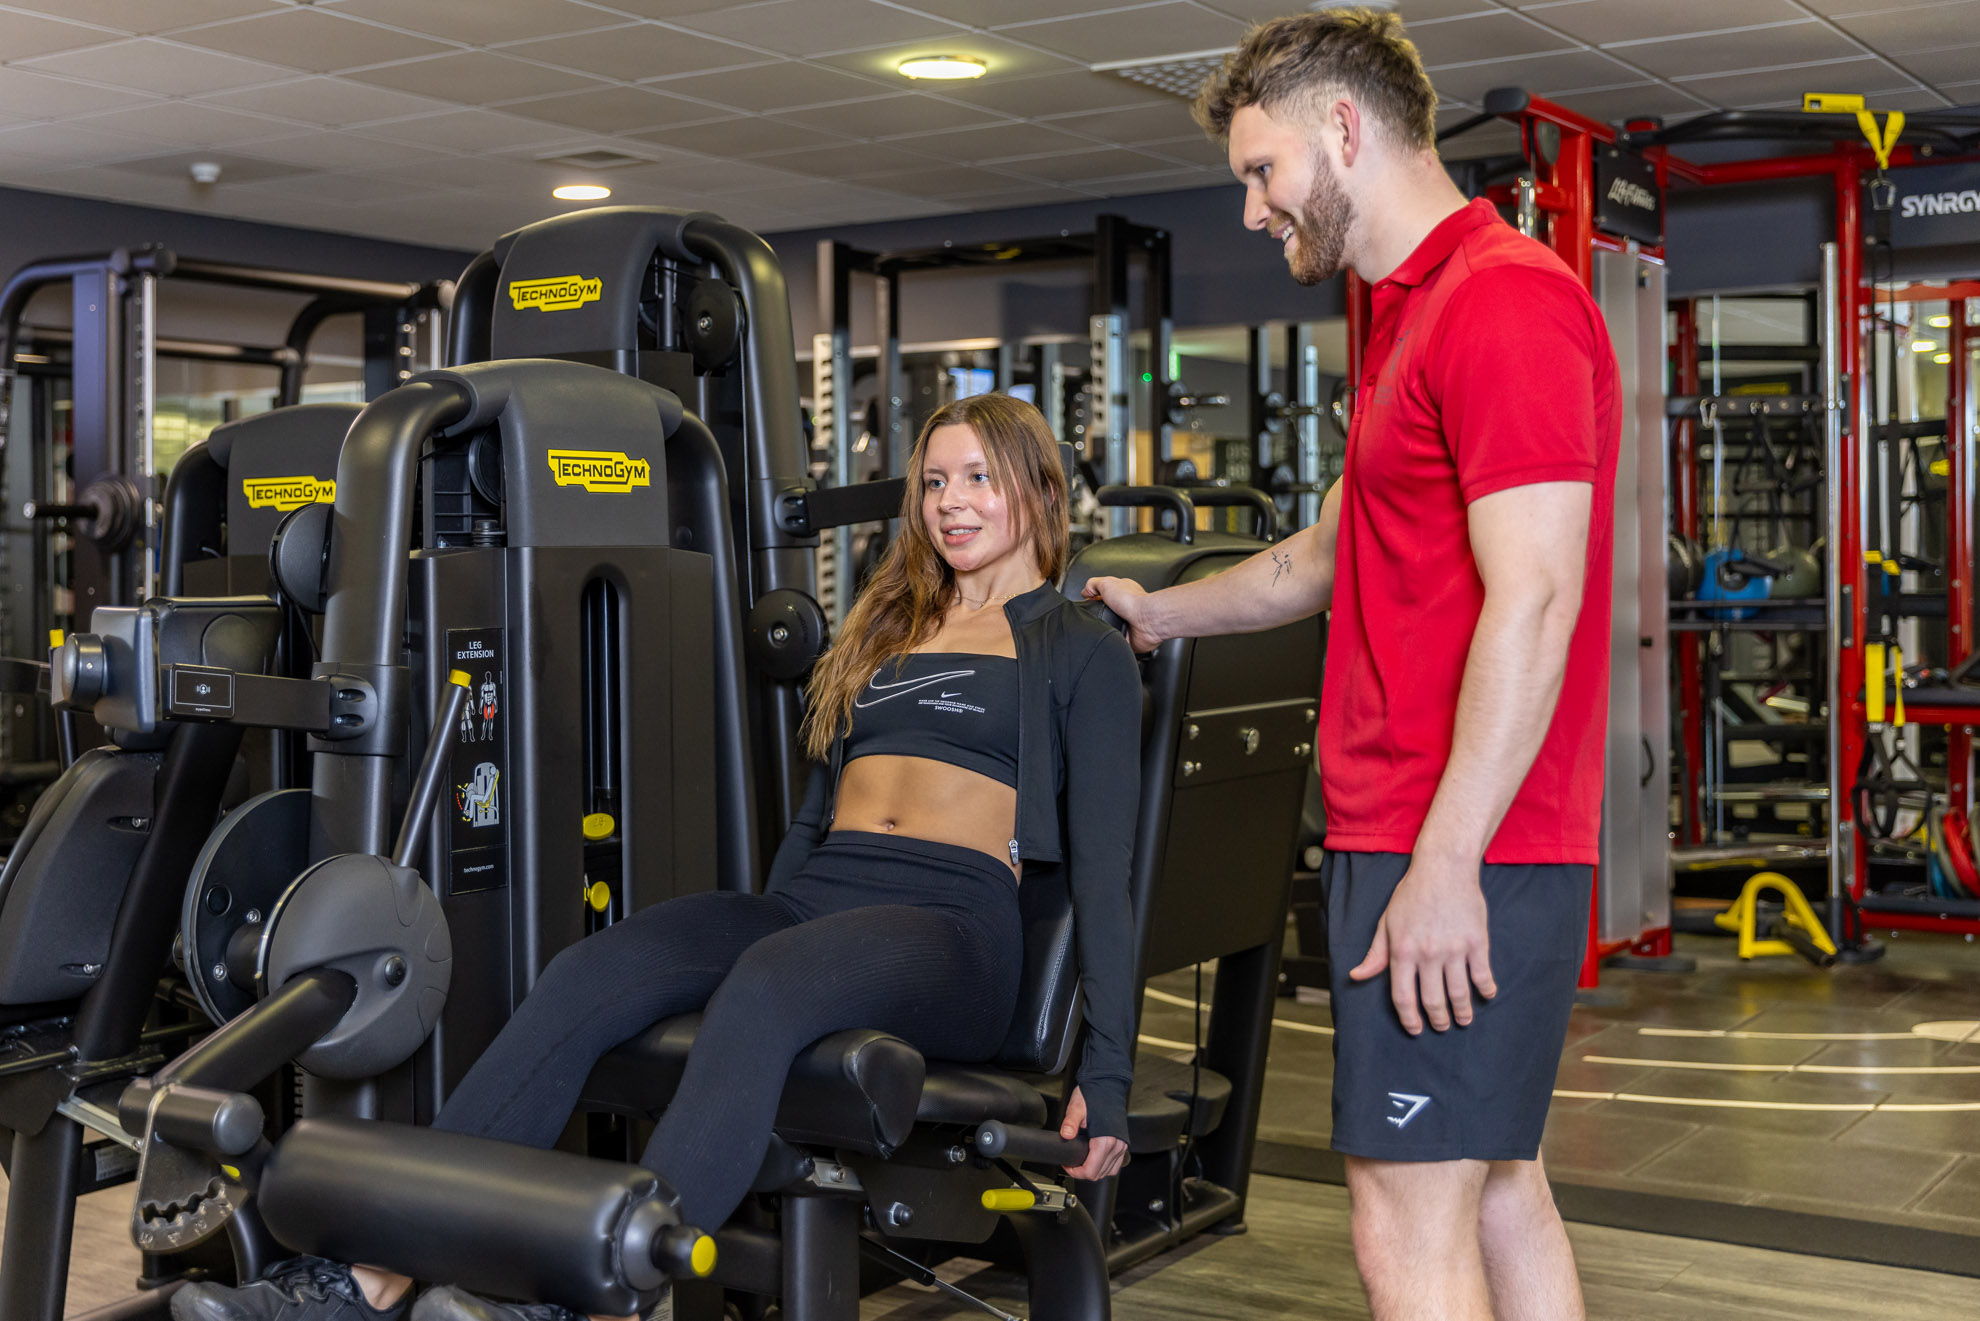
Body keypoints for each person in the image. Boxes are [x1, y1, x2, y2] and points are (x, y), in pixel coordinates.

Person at [174, 393, 1140, 1321]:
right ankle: (371, 1275)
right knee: (590, 972)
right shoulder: (882, 630)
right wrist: (766, 941)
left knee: (768, 981)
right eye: (934, 482)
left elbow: (1105, 871)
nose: (951, 503)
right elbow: (813, 820)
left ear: (1039, 491)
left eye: (979, 478)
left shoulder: (1076, 648)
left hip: (958, 930)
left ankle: (600, 1299)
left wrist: (1109, 1075)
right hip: (822, 907)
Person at [1083, 11, 1617, 1321]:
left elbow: (1536, 597)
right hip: (1436, 829)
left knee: (1400, 1225)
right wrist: (1165, 619)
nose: (1257, 210)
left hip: (1463, 842)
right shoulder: (1405, 309)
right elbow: (1331, 552)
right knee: (1498, 1187)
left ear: (1342, 128)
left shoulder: (1505, 303)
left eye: (1262, 173)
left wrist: (1445, 863)